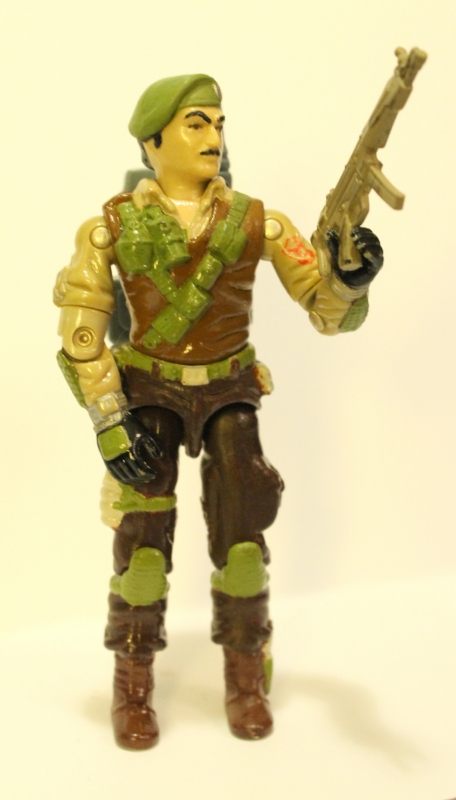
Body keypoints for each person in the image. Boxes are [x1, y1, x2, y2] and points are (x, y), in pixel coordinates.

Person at [53, 73, 383, 750]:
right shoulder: (110, 226)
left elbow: (324, 310)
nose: (213, 136)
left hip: (231, 392)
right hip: (149, 394)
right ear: (152, 142)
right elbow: (82, 334)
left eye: (218, 123)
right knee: (142, 551)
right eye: (196, 123)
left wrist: (350, 278)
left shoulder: (259, 222)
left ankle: (244, 676)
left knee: (243, 548)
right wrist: (110, 421)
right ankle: (132, 683)